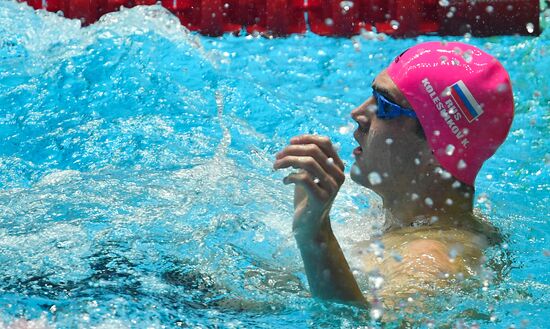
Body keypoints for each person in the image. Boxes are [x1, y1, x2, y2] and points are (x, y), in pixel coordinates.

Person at [273, 42, 514, 309]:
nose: (359, 114)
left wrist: (315, 234)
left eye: (384, 105)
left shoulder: (431, 260)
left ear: (439, 147)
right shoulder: (416, 224)